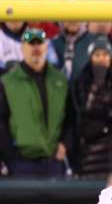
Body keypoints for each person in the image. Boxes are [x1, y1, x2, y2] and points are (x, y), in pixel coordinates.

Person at [0, 28, 70, 177]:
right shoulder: (8, 82)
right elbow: (1, 122)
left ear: (46, 46)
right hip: (21, 163)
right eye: (31, 43)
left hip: (53, 162)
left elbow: (71, 117)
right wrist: (10, 156)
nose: (36, 47)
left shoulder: (60, 80)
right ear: (22, 48)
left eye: (40, 43)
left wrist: (65, 144)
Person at [71, 38, 112, 178]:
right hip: (92, 149)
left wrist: (107, 112)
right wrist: (97, 84)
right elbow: (85, 109)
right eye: (97, 55)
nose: (101, 59)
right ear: (91, 58)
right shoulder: (82, 80)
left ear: (110, 58)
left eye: (105, 54)